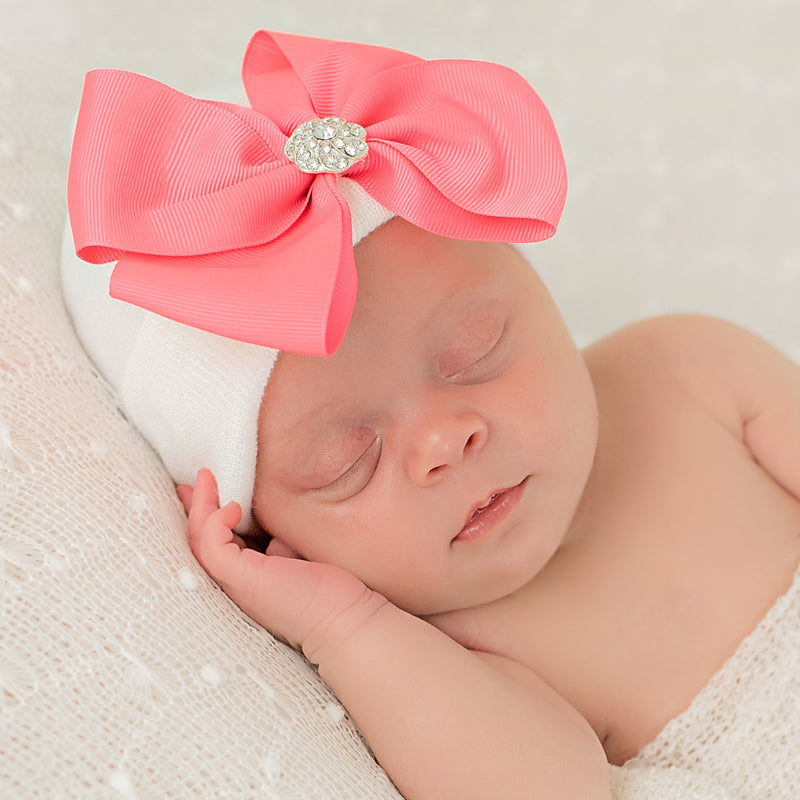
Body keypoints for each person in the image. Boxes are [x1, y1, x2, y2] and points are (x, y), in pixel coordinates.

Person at [64, 30, 800, 800]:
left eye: (476, 349)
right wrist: (343, 627)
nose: (444, 442)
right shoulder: (450, 654)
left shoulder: (685, 370)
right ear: (274, 535)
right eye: (350, 463)